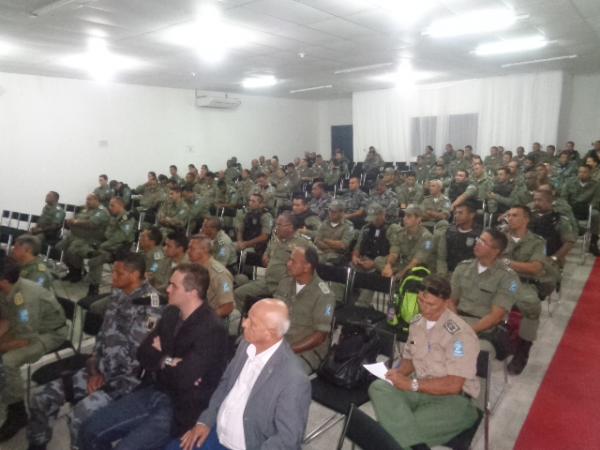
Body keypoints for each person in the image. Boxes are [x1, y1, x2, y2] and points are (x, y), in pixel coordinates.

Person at [79, 264, 228, 450]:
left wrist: (161, 355)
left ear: (192, 292)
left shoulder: (212, 329)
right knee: (89, 430)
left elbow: (183, 379)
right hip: (153, 389)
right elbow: (143, 354)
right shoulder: (171, 313)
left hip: (180, 407)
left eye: (174, 286)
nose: (167, 289)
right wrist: (169, 361)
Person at [26, 252, 163, 450]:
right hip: (98, 370)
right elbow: (103, 337)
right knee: (41, 398)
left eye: (118, 273)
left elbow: (137, 357)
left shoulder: (151, 305)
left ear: (134, 275)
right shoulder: (118, 294)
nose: (113, 276)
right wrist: (93, 368)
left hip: (125, 382)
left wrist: (104, 378)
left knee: (78, 419)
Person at [167, 299, 311, 450]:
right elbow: (226, 383)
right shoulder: (247, 344)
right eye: (247, 317)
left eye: (252, 323)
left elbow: (288, 439)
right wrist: (205, 421)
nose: (244, 324)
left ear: (270, 334)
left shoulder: (294, 380)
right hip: (217, 430)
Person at [369, 275, 480, 449]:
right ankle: (411, 443)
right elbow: (410, 359)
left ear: (446, 302)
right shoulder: (417, 322)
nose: (424, 308)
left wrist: (411, 384)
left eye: (431, 304)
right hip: (421, 388)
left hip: (453, 401)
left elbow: (453, 385)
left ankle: (403, 442)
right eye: (421, 301)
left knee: (394, 433)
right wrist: (398, 374)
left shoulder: (461, 335)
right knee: (378, 386)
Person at [0, 254, 67, 442]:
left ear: (3, 281)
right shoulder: (7, 289)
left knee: (8, 361)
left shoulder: (25, 300)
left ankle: (17, 412)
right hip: (25, 328)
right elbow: (6, 319)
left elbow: (24, 340)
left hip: (48, 334)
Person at [450, 229, 519, 355]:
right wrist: (455, 324)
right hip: (457, 320)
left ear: (496, 250)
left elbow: (495, 317)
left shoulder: (508, 277)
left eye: (483, 242)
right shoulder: (463, 267)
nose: (477, 243)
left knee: (458, 351)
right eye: (478, 239)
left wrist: (467, 331)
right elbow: (451, 301)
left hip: (484, 328)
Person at [234, 212, 312, 311]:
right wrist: (265, 255)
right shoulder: (275, 238)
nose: (276, 227)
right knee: (239, 294)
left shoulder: (302, 243)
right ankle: (245, 322)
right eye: (276, 224)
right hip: (268, 281)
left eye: (279, 225)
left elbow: (312, 263)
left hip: (285, 287)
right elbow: (268, 251)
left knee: (275, 310)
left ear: (290, 227)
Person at [501, 206, 548, 375]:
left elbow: (535, 267)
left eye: (514, 215)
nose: (510, 218)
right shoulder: (499, 237)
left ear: (526, 219)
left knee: (531, 305)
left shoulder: (537, 242)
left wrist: (506, 263)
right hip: (498, 280)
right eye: (509, 215)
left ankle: (523, 350)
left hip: (522, 283)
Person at [274, 247, 335, 374]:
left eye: (293, 261)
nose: (288, 264)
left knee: (283, 373)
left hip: (305, 350)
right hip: (281, 341)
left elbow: (320, 336)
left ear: (307, 266)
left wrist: (288, 349)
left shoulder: (324, 295)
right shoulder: (285, 283)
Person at [87, 197, 136, 296]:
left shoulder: (127, 218)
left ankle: (94, 289)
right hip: (109, 245)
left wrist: (103, 245)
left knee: (94, 261)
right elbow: (107, 233)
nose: (110, 208)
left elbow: (120, 237)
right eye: (109, 205)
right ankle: (93, 287)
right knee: (92, 254)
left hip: (120, 250)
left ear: (120, 205)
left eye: (112, 205)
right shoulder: (114, 217)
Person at [60, 193, 110, 283]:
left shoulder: (101, 212)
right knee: (61, 247)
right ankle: (72, 271)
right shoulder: (85, 210)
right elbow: (75, 219)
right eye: (87, 199)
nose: (87, 201)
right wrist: (72, 222)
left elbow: (91, 224)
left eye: (90, 199)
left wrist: (75, 222)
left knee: (72, 250)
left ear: (97, 200)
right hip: (76, 236)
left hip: (91, 240)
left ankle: (78, 273)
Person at [187, 235, 234, 319]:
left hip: (206, 318)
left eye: (192, 249)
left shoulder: (220, 274)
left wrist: (207, 319)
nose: (188, 251)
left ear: (205, 250)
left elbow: (228, 307)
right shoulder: (192, 267)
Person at [383, 205, 434, 281]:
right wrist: (388, 265)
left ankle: (394, 276)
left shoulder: (427, 237)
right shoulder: (400, 232)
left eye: (409, 216)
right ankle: (391, 273)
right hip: (403, 263)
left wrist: (401, 274)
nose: (404, 219)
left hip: (417, 267)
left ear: (418, 219)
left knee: (411, 272)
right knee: (379, 260)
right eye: (404, 216)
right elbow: (394, 252)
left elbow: (416, 261)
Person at [436, 202, 481, 276]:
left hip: (469, 276)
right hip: (448, 273)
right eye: (455, 213)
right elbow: (441, 258)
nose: (456, 216)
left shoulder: (479, 235)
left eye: (460, 213)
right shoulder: (449, 232)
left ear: (471, 215)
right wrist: (442, 275)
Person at [314, 200, 355, 265]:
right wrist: (332, 246)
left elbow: (343, 245)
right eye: (330, 211)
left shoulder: (348, 226)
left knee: (326, 263)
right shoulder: (325, 223)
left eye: (334, 211)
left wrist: (325, 240)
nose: (331, 213)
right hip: (321, 252)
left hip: (337, 256)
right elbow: (317, 240)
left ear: (341, 212)